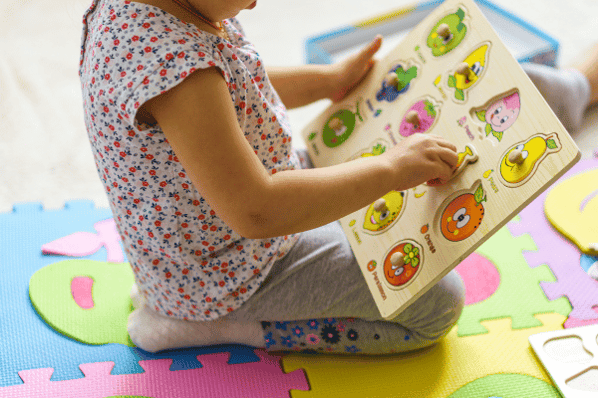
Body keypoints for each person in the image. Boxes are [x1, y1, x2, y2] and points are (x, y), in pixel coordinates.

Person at [79, 0, 597, 354]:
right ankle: (220, 326)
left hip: (253, 200)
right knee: (438, 307)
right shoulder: (173, 66)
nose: (256, 5)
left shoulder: (154, 13)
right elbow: (257, 210)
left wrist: (327, 83)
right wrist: (391, 170)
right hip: (227, 272)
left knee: (438, 88)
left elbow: (231, 84)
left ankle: (571, 90)